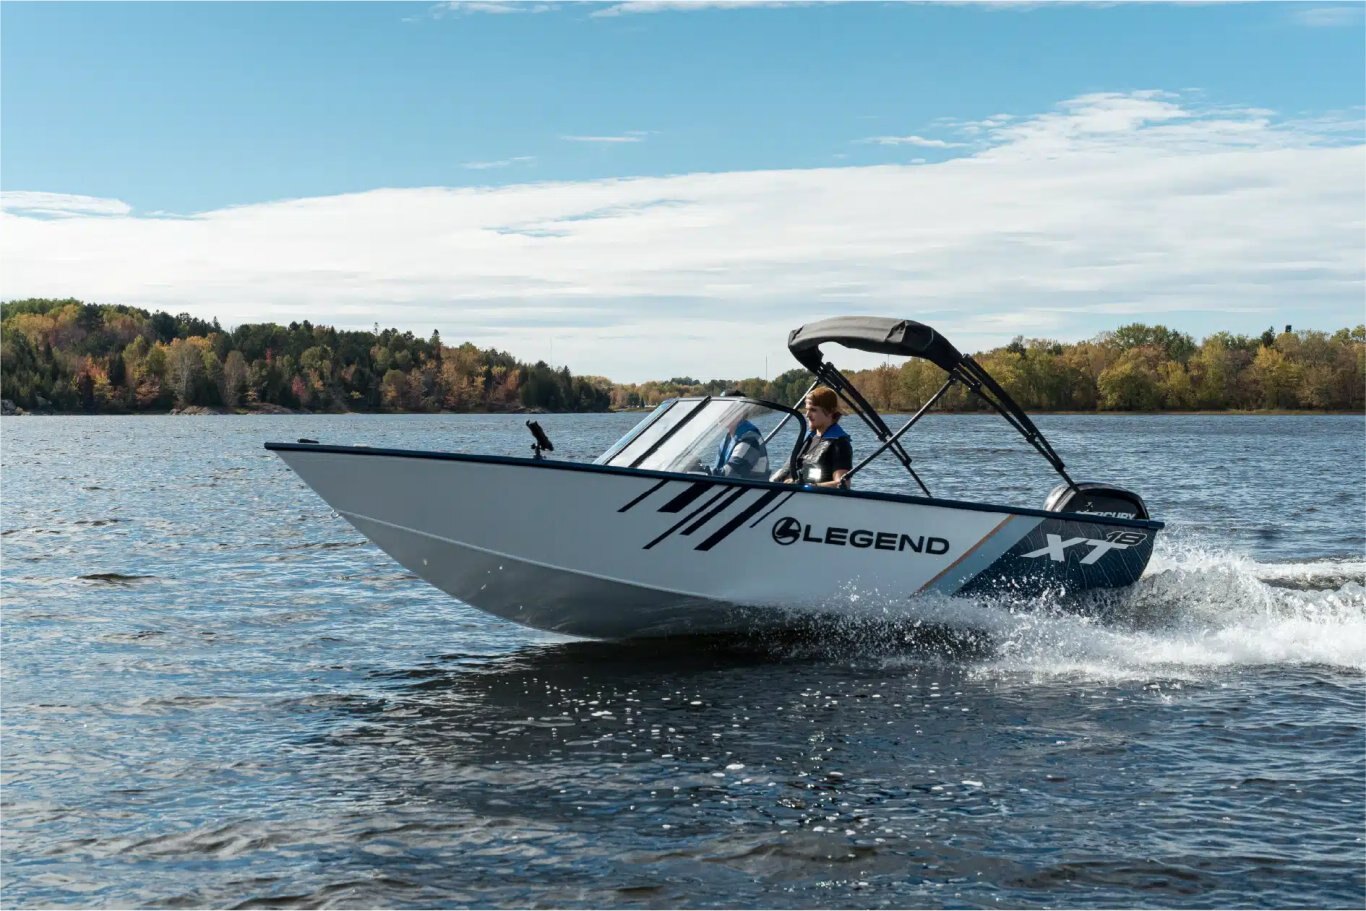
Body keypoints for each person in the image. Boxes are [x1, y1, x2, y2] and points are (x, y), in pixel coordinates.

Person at [778, 386, 852, 489]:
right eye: (807, 410)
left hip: (814, 497)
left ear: (830, 412)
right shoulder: (809, 438)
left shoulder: (839, 443)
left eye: (813, 410)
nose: (807, 415)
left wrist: (810, 486)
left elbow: (842, 484)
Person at [712, 391, 769, 480]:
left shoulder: (750, 438)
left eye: (725, 409)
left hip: (751, 488)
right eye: (720, 409)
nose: (721, 413)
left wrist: (702, 472)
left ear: (740, 412)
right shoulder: (727, 439)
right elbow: (717, 473)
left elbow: (730, 475)